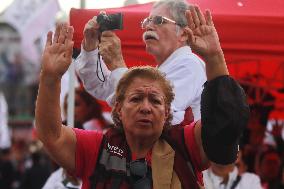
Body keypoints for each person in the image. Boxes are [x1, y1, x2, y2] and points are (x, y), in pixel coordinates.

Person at [35, 5, 250, 189]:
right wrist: (54, 75)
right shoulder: (99, 148)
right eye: (136, 99)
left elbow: (224, 126)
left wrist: (214, 58)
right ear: (118, 108)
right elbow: (52, 134)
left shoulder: (184, 145)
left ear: (166, 109)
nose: (145, 107)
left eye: (155, 100)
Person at [75, 0, 206, 124]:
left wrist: (117, 63)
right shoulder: (163, 70)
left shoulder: (189, 65)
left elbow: (156, 113)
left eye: (159, 20)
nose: (148, 26)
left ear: (183, 34)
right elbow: (100, 87)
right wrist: (90, 47)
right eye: (147, 21)